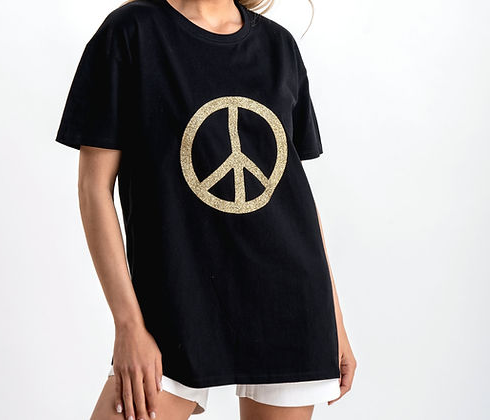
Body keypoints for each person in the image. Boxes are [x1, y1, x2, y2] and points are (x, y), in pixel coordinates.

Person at [54, 0, 356, 419]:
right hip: (176, 305)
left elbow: (295, 197)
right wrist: (128, 325)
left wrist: (334, 321)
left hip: (289, 304)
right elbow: (94, 188)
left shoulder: (279, 46)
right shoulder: (131, 33)